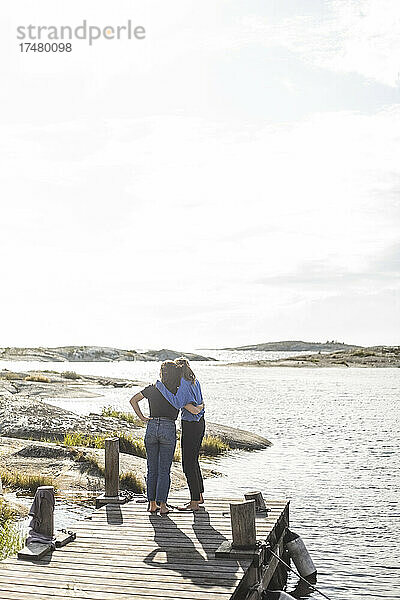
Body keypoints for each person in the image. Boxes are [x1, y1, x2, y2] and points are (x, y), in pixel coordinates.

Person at [129, 360, 203, 516]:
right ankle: (163, 506)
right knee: (164, 470)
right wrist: (200, 407)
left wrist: (142, 417)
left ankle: (151, 504)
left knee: (151, 469)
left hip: (151, 427)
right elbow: (189, 406)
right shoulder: (175, 391)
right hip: (168, 429)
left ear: (161, 373)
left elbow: (133, 400)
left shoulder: (152, 388)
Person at [156, 357, 205, 512]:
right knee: (194, 461)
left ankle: (194, 502)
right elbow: (201, 404)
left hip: (190, 425)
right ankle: (199, 496)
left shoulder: (183, 382)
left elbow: (177, 403)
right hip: (200, 423)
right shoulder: (194, 381)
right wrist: (195, 408)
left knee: (187, 464)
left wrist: (161, 388)